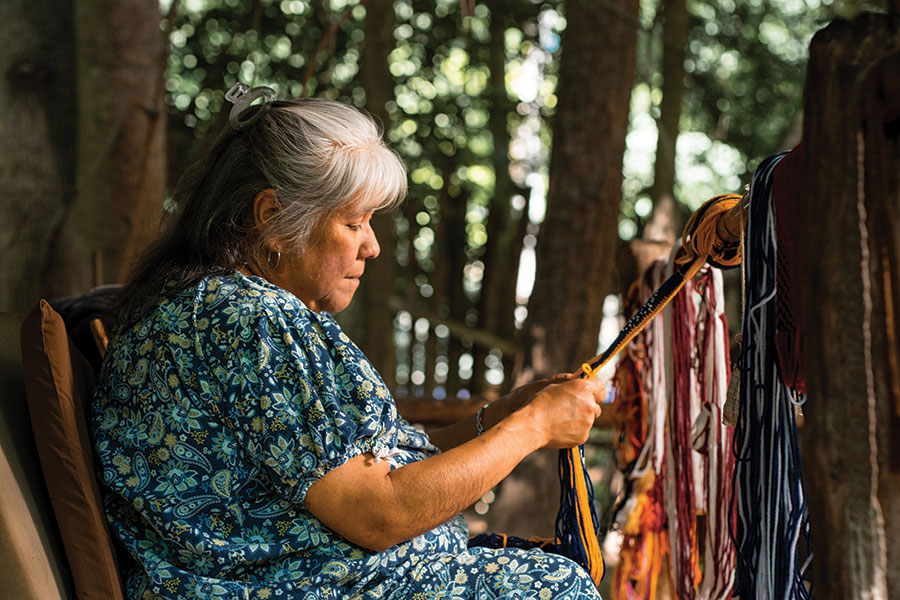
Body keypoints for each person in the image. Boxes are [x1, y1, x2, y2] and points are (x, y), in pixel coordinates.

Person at [91, 83, 606, 600]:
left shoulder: (221, 308)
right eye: (352, 222)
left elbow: (373, 467)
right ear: (270, 217)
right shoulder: (248, 321)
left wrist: (504, 414)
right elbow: (377, 512)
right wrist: (533, 427)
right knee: (552, 585)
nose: (373, 246)